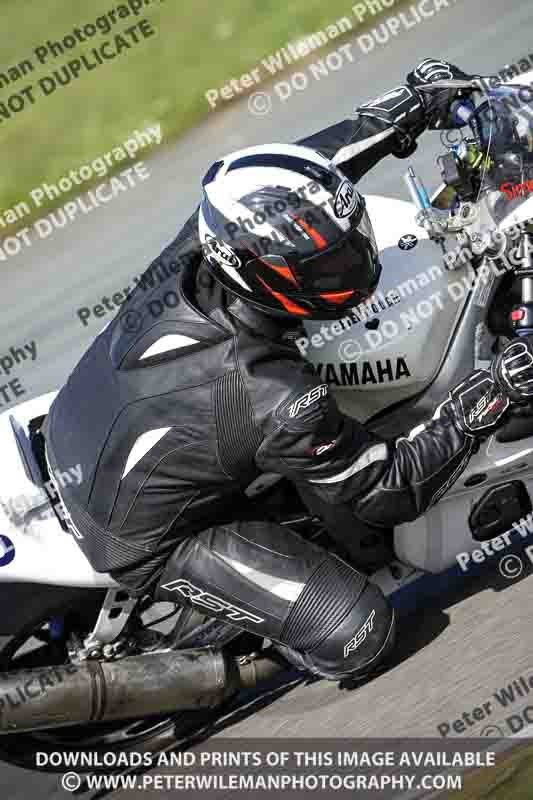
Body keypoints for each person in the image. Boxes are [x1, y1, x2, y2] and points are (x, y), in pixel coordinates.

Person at [40, 59, 533, 681]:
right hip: (139, 533)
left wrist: (403, 110)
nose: (354, 261)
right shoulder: (273, 393)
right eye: (328, 264)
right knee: (361, 635)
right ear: (264, 275)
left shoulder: (208, 241)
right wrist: (489, 396)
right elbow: (386, 492)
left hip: (84, 416)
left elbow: (308, 172)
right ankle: (240, 639)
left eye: (347, 243)